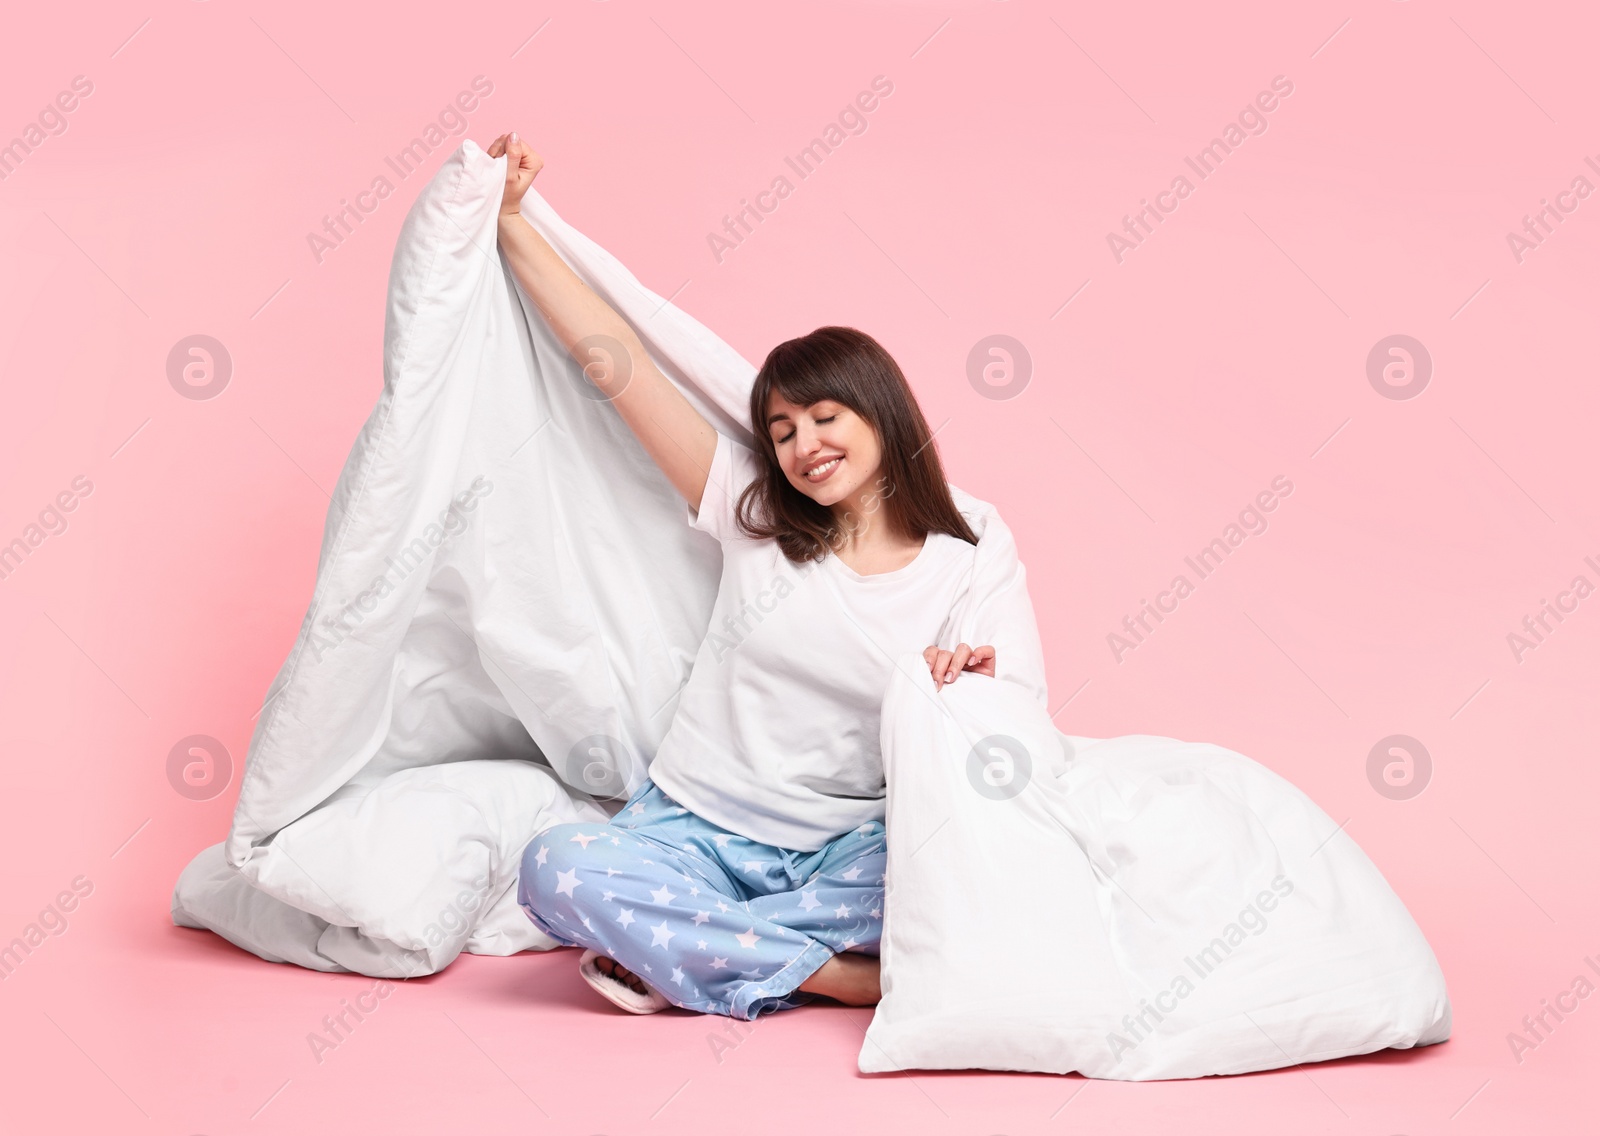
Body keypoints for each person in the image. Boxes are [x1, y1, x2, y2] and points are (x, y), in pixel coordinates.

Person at [490, 131, 1025, 1020]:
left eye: (825, 417)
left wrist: (968, 685)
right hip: (689, 829)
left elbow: (1013, 709)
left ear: (883, 415)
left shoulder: (972, 550)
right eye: (782, 431)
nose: (804, 446)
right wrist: (512, 225)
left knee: (968, 865)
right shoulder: (755, 512)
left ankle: (682, 949)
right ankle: (836, 977)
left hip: (847, 850)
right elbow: (616, 362)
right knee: (557, 871)